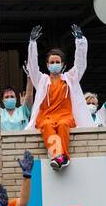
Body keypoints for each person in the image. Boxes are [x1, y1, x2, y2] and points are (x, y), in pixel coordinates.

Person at [24, 23, 89, 170]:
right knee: (46, 126)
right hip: (45, 117)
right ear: (47, 65)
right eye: (52, 62)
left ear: (63, 65)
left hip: (65, 116)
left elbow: (80, 64)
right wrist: (32, 43)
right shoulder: (41, 80)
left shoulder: (70, 78)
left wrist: (80, 41)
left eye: (57, 62)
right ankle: (59, 157)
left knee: (63, 125)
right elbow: (33, 66)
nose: (54, 64)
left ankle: (61, 157)